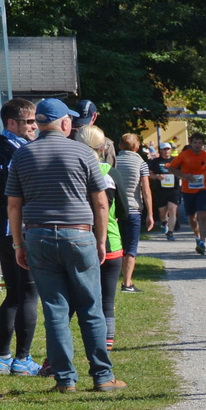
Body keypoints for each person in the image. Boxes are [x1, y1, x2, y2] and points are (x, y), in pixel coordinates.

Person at [3, 98, 125, 393]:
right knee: (91, 307)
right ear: (66, 123)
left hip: (38, 236)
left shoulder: (22, 155)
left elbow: (14, 205)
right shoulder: (83, 152)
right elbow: (100, 202)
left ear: (39, 123)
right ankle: (102, 376)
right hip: (79, 234)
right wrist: (100, 240)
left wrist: (18, 244)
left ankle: (65, 379)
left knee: (55, 309)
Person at [0, 97, 45, 377]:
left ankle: (2, 358)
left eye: (35, 121)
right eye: (29, 121)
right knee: (28, 295)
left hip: (1, 229)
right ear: (11, 123)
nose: (35, 126)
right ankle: (22, 359)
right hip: (19, 230)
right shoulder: (21, 152)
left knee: (13, 295)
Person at [78, 127, 127, 346]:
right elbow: (125, 210)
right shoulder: (112, 173)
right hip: (111, 242)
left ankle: (74, 342)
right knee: (107, 298)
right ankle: (107, 340)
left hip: (81, 239)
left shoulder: (73, 171)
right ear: (103, 148)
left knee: (79, 298)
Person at [112, 133, 152, 293]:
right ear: (137, 147)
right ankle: (127, 283)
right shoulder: (141, 163)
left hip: (115, 210)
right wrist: (150, 213)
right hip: (134, 209)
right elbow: (146, 190)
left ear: (119, 146)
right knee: (131, 247)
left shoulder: (113, 161)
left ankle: (111, 278)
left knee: (115, 244)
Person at [169, 133, 206, 254]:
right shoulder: (184, 155)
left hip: (203, 189)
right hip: (188, 190)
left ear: (203, 144)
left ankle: (202, 242)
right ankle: (197, 236)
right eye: (195, 142)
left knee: (203, 214)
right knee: (192, 217)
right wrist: (183, 175)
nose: (197, 145)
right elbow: (171, 168)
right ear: (191, 143)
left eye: (200, 143)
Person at [148, 141, 179, 239]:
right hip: (161, 190)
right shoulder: (156, 162)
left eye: (168, 149)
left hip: (174, 189)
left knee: (172, 209)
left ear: (171, 150)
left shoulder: (176, 160)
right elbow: (149, 174)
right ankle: (164, 222)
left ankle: (170, 232)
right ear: (160, 151)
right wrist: (157, 176)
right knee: (162, 212)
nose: (166, 151)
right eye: (164, 149)